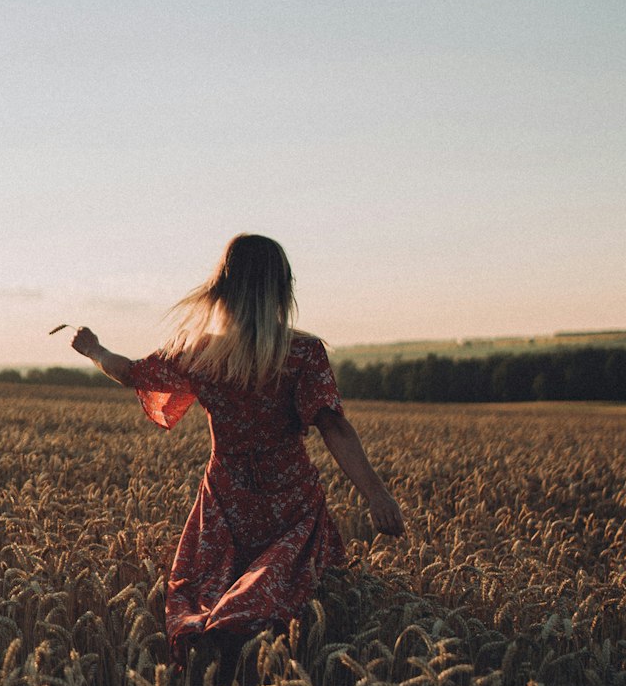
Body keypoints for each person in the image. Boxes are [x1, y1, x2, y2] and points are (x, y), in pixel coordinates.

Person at [70, 234, 404, 664]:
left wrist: (94, 349)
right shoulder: (302, 353)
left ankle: (214, 660)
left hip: (225, 502)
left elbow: (131, 372)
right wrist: (376, 493)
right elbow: (333, 425)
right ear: (282, 287)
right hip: (290, 503)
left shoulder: (200, 353)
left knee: (208, 597)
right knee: (290, 607)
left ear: (223, 288)